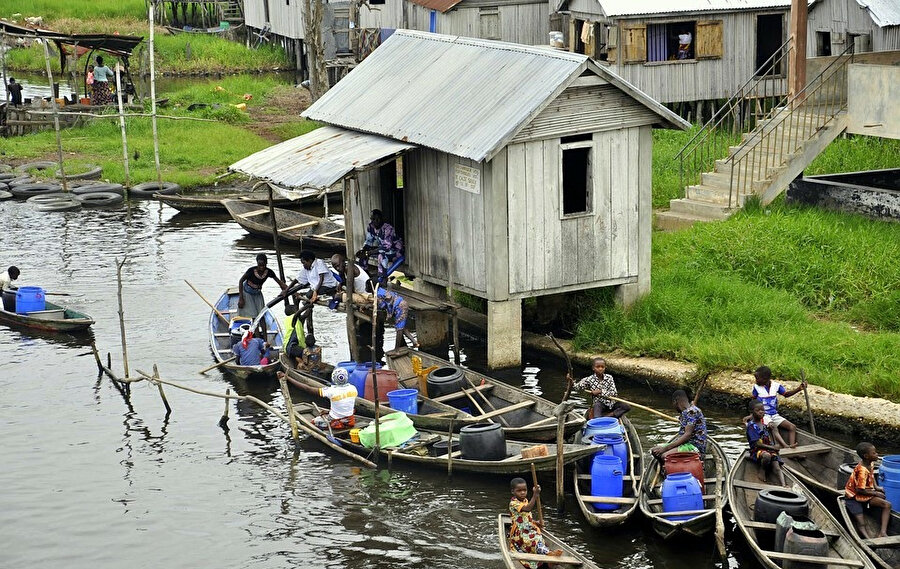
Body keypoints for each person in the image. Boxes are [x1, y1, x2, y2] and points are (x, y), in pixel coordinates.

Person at [507, 478, 562, 567]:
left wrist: (535, 522)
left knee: (539, 538)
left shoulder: (525, 500)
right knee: (533, 541)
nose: (522, 493)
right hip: (520, 532)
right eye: (519, 491)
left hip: (528, 528)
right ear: (513, 492)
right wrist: (535, 495)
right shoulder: (513, 503)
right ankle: (549, 554)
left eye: (524, 490)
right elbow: (527, 508)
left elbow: (526, 517)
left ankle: (547, 555)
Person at [845, 442, 892, 539]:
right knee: (862, 523)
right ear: (866, 456)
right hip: (853, 497)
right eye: (874, 453)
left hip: (865, 494)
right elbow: (859, 490)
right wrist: (875, 493)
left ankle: (883, 532)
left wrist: (876, 487)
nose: (877, 454)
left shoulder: (870, 463)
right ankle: (868, 539)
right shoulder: (862, 471)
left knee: (887, 505)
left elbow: (871, 475)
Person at [750, 365, 806, 448]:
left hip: (774, 415)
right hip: (763, 415)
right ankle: (785, 446)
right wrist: (752, 415)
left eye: (757, 378)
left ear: (765, 378)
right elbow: (753, 402)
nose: (756, 380)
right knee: (773, 426)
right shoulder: (756, 387)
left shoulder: (776, 386)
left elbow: (786, 394)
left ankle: (792, 448)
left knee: (792, 427)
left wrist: (799, 388)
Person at [651, 390, 707, 460]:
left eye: (673, 403)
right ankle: (666, 468)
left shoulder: (691, 412)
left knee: (665, 456)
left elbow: (687, 435)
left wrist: (665, 448)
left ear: (676, 401)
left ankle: (673, 468)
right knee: (654, 451)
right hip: (685, 444)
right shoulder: (685, 412)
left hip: (694, 446)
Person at [746, 400, 786, 485]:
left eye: (762, 410)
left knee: (776, 466)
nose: (761, 412)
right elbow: (757, 444)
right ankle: (762, 470)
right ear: (751, 412)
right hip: (757, 450)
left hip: (769, 449)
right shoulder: (751, 426)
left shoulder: (764, 424)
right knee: (767, 456)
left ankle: (784, 485)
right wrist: (773, 448)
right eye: (758, 410)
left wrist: (773, 447)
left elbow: (768, 437)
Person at [361, 209, 405, 284]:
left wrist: (370, 252)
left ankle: (382, 277)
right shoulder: (371, 227)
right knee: (362, 253)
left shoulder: (388, 228)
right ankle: (364, 274)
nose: (376, 221)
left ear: (381, 219)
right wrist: (364, 250)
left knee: (381, 255)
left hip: (395, 250)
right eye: (373, 219)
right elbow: (369, 241)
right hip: (383, 248)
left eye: (378, 219)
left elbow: (387, 246)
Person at [238, 253, 288, 319]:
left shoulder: (269, 272)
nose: (261, 267)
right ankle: (255, 328)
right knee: (254, 316)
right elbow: (241, 281)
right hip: (247, 293)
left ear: (266, 263)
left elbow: (280, 283)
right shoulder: (251, 271)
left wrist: (293, 292)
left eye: (263, 265)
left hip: (257, 293)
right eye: (259, 265)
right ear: (257, 263)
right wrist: (241, 298)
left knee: (261, 315)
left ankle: (264, 329)